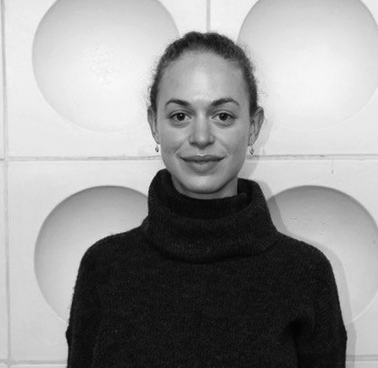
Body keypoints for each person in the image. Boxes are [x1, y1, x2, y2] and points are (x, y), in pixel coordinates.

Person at [66, 31, 347, 367]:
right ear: (154, 125)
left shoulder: (306, 273)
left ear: (253, 127)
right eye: (180, 116)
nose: (201, 137)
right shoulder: (104, 267)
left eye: (223, 116)